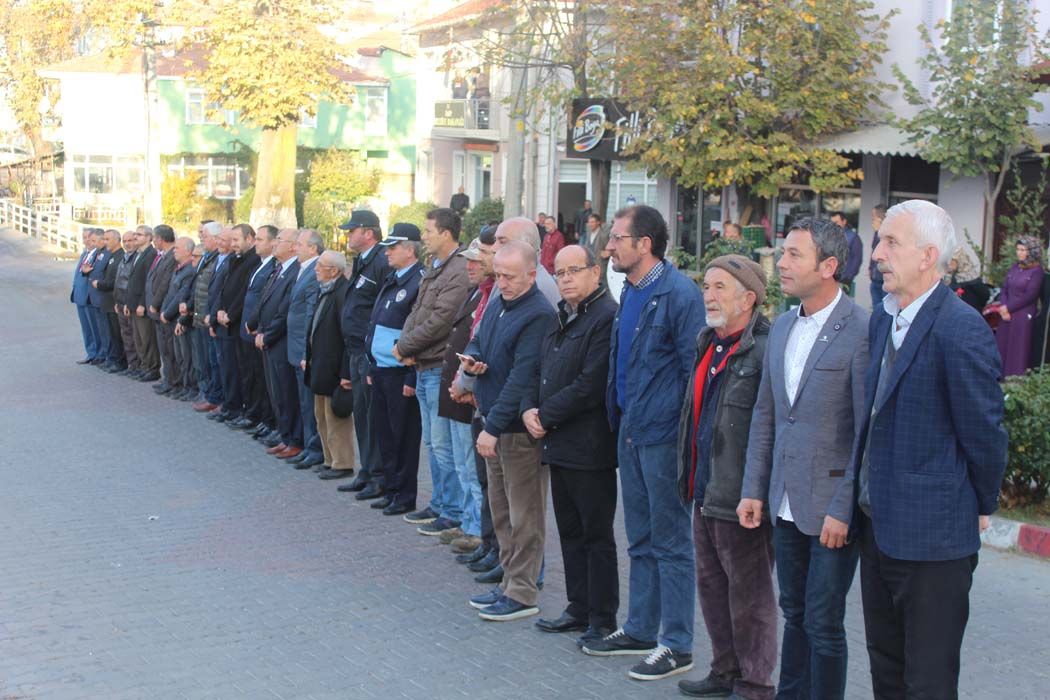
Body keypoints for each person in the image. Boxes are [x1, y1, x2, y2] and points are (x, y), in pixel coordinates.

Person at [857, 200, 1007, 698]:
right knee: (886, 671)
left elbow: (984, 434)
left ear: (927, 256)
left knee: (928, 681)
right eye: (880, 241)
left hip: (934, 540)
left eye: (890, 242)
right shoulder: (884, 319)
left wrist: (980, 502)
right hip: (878, 531)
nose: (877, 253)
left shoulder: (960, 327)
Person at [736, 218, 870, 700]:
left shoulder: (861, 330)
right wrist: (754, 488)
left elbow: (864, 431)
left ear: (829, 266)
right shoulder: (784, 325)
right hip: (783, 501)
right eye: (783, 252)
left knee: (823, 622)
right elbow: (766, 415)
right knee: (794, 612)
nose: (782, 262)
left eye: (795, 254)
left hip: (831, 508)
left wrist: (844, 506)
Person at [582, 205, 705, 683]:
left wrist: (681, 438)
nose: (609, 246)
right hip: (630, 432)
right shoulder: (631, 289)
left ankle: (676, 643)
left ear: (644, 244)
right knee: (640, 539)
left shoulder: (679, 294)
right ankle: (639, 629)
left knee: (671, 543)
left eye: (617, 238)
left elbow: (691, 373)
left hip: (662, 438)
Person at [673, 254, 774, 697]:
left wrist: (755, 491)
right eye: (706, 286)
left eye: (720, 287)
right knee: (712, 588)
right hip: (704, 489)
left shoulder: (764, 349)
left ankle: (755, 684)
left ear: (748, 299)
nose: (708, 295)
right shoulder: (707, 343)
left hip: (741, 498)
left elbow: (768, 429)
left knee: (750, 598)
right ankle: (724, 670)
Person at [525, 245, 619, 647]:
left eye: (573, 271)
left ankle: (602, 617)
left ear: (595, 273)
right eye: (559, 272)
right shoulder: (562, 314)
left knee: (596, 535)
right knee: (569, 531)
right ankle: (577, 607)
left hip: (590, 445)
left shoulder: (606, 317)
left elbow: (591, 384)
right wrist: (528, 408)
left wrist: (544, 414)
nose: (564, 279)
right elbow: (540, 368)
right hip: (558, 441)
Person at [462, 240, 557, 622]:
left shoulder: (539, 314)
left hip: (516, 432)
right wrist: (473, 360)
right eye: (498, 275)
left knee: (524, 516)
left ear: (532, 275)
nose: (501, 283)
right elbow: (479, 339)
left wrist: (494, 427)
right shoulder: (500, 302)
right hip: (494, 421)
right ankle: (508, 582)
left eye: (510, 277)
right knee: (501, 513)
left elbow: (522, 377)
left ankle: (522, 591)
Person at [393, 208, 471, 536]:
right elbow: (417, 311)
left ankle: (452, 510)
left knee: (443, 445)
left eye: (428, 231)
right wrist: (405, 345)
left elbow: (441, 320)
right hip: (423, 364)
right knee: (432, 443)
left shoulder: (458, 269)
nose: (423, 236)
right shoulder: (436, 266)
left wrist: (405, 346)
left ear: (446, 233)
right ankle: (440, 503)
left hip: (438, 366)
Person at [436, 236, 494, 557]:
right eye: (468, 260)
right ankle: (470, 521)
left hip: (473, 392)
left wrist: (466, 384)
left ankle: (476, 529)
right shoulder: (477, 292)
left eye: (477, 259)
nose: (470, 265)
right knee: (463, 465)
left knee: (472, 469)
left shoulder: (490, 294)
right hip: (460, 388)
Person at [366, 224, 425, 516]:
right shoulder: (394, 278)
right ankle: (391, 489)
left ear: (410, 250)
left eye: (393, 247)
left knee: (404, 437)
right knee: (386, 435)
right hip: (381, 369)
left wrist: (412, 376)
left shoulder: (419, 281)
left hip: (401, 372)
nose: (387, 252)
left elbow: (418, 331)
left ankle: (404, 495)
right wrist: (371, 361)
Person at [337, 210, 390, 498]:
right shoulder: (362, 260)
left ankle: (378, 476)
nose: (348, 235)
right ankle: (367, 471)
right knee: (361, 414)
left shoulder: (381, 261)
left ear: (368, 232)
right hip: (356, 350)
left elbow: (382, 309)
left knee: (372, 417)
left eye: (352, 230)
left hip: (370, 352)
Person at [250, 229, 302, 460]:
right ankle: (285, 435)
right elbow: (265, 300)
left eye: (280, 240)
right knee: (276, 391)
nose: (275, 244)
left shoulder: (294, 271)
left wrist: (268, 334)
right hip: (268, 338)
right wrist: (257, 326)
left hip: (280, 341)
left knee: (286, 392)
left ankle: (294, 440)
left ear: (292, 246)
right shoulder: (278, 268)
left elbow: (284, 309)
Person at [305, 250, 355, 480]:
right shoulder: (326, 290)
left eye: (321, 266)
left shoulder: (342, 293)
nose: (316, 269)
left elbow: (347, 336)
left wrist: (346, 372)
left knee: (336, 418)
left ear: (334, 270)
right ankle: (329, 459)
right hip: (320, 366)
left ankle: (342, 463)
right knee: (322, 417)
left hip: (334, 369)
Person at [212, 224, 261, 420]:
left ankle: (239, 409)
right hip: (225, 320)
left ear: (249, 239)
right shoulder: (235, 259)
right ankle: (230, 405)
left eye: (236, 240)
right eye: (231, 240)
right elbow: (224, 288)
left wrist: (230, 315)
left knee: (240, 371)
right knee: (227, 368)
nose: (233, 244)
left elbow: (244, 293)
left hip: (237, 323)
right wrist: (219, 311)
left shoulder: (254, 261)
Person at [285, 230, 324, 468]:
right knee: (303, 401)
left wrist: (306, 352)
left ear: (313, 248)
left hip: (303, 348)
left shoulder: (315, 271)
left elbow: (311, 314)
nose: (294, 248)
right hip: (295, 346)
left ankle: (315, 448)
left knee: (310, 403)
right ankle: (308, 445)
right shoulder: (303, 269)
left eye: (299, 244)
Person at [239, 225, 278, 439]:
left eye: (260, 239)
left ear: (273, 243)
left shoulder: (273, 266)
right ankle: (259, 417)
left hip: (260, 332)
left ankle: (268, 420)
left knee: (263, 381)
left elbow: (266, 301)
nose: (256, 243)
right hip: (249, 329)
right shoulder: (261, 265)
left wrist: (258, 325)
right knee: (252, 376)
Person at [993, 236, 1044, 377]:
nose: (1019, 253)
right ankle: (999, 375)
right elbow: (1005, 288)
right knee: (1003, 343)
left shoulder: (1037, 271)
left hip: (1023, 314)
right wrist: (1003, 306)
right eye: (1018, 249)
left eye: (1023, 250)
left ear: (1031, 252)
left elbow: (1030, 295)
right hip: (1006, 313)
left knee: (1018, 348)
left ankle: (1014, 380)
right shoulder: (1015, 267)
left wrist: (1008, 308)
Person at [190, 222, 223, 412]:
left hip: (208, 317)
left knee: (213, 362)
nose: (201, 237)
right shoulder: (207, 257)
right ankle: (208, 394)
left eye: (205, 235)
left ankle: (214, 397)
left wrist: (210, 316)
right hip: (200, 315)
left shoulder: (218, 258)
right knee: (204, 360)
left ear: (217, 238)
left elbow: (215, 290)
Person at [160, 238, 198, 400]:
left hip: (179, 319)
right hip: (173, 318)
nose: (174, 251)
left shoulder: (189, 271)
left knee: (187, 357)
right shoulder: (179, 269)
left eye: (177, 248)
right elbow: (170, 293)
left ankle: (189, 387)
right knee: (178, 355)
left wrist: (168, 314)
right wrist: (163, 311)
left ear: (188, 251)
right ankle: (181, 385)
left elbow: (180, 297)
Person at [493, 217, 561, 306]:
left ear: (527, 246)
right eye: (495, 240)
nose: (493, 248)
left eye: (502, 242)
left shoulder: (535, 288)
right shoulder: (512, 277)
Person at [146, 225, 177, 395]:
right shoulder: (164, 255)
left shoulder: (172, 256)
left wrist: (155, 303)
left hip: (163, 308)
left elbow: (165, 283)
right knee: (164, 348)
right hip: (158, 309)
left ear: (160, 239)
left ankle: (172, 381)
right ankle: (168, 379)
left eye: (154, 238)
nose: (153, 241)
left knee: (169, 349)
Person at [126, 226, 159, 382]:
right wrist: (128, 303)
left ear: (148, 237)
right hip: (133, 303)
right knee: (138, 339)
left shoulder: (151, 254)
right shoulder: (138, 254)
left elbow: (148, 281)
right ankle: (144, 366)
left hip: (142, 304)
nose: (135, 237)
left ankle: (152, 368)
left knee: (147, 338)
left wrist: (142, 304)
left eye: (139, 235)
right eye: (135, 234)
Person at [92, 229, 126, 372]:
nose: (105, 242)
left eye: (107, 239)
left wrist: (100, 284)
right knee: (111, 334)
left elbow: (115, 281)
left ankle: (120, 362)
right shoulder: (111, 256)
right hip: (107, 301)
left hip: (114, 301)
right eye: (104, 239)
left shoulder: (120, 256)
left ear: (117, 240)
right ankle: (112, 359)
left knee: (118, 334)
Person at [84, 229, 114, 368]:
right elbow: (94, 270)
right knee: (101, 330)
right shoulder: (98, 253)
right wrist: (86, 272)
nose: (93, 243)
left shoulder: (107, 254)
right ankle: (104, 356)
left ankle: (109, 357)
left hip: (102, 296)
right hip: (95, 297)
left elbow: (104, 274)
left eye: (95, 241)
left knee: (107, 331)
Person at [72, 230, 102, 364]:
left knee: (94, 328)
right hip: (80, 296)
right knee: (86, 328)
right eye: (84, 238)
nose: (86, 240)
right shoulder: (85, 254)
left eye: (89, 238)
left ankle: (98, 354)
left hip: (89, 297)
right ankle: (91, 352)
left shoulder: (97, 255)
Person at [113, 230, 140, 376]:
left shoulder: (137, 258)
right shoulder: (124, 257)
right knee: (127, 337)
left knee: (135, 337)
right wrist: (117, 301)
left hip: (129, 305)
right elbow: (119, 280)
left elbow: (133, 284)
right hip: (121, 303)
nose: (127, 244)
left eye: (130, 240)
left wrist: (128, 303)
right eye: (125, 241)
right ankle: (132, 365)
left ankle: (138, 367)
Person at [829, 212, 862, 292]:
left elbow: (857, 259)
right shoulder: (830, 236)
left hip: (843, 279)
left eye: (836, 222)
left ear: (844, 221)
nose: (834, 225)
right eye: (832, 223)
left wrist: (849, 277)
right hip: (829, 277)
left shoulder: (853, 237)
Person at [578, 213, 611, 281]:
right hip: (590, 267)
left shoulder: (604, 234)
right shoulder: (589, 233)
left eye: (592, 222)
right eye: (589, 222)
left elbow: (610, 248)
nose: (590, 224)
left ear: (598, 222)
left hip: (601, 268)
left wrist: (608, 252)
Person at [869, 204, 887, 307]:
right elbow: (874, 253)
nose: (872, 220)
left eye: (873, 217)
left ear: (880, 219)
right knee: (876, 308)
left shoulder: (888, 235)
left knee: (885, 309)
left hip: (885, 279)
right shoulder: (876, 234)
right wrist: (870, 268)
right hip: (875, 278)